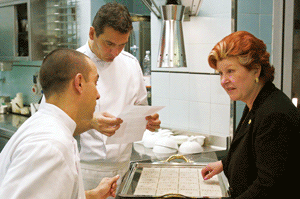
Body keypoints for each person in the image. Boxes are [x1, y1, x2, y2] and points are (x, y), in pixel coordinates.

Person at [0, 49, 119, 199]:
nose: (98, 95)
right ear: (79, 83)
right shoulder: (50, 146)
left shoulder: (51, 128)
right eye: (95, 83)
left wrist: (93, 195)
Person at [201, 31, 300, 198]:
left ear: (255, 70)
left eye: (230, 71)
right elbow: (254, 152)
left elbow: (268, 187)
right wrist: (224, 163)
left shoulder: (274, 115)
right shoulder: (256, 103)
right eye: (220, 73)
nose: (223, 80)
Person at [76, 2, 161, 193]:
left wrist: (148, 120)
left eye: (122, 45)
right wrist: (90, 122)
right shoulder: (72, 63)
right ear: (92, 34)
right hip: (85, 170)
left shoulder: (130, 64)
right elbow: (53, 119)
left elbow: (140, 108)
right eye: (109, 44)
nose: (115, 52)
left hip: (123, 168)